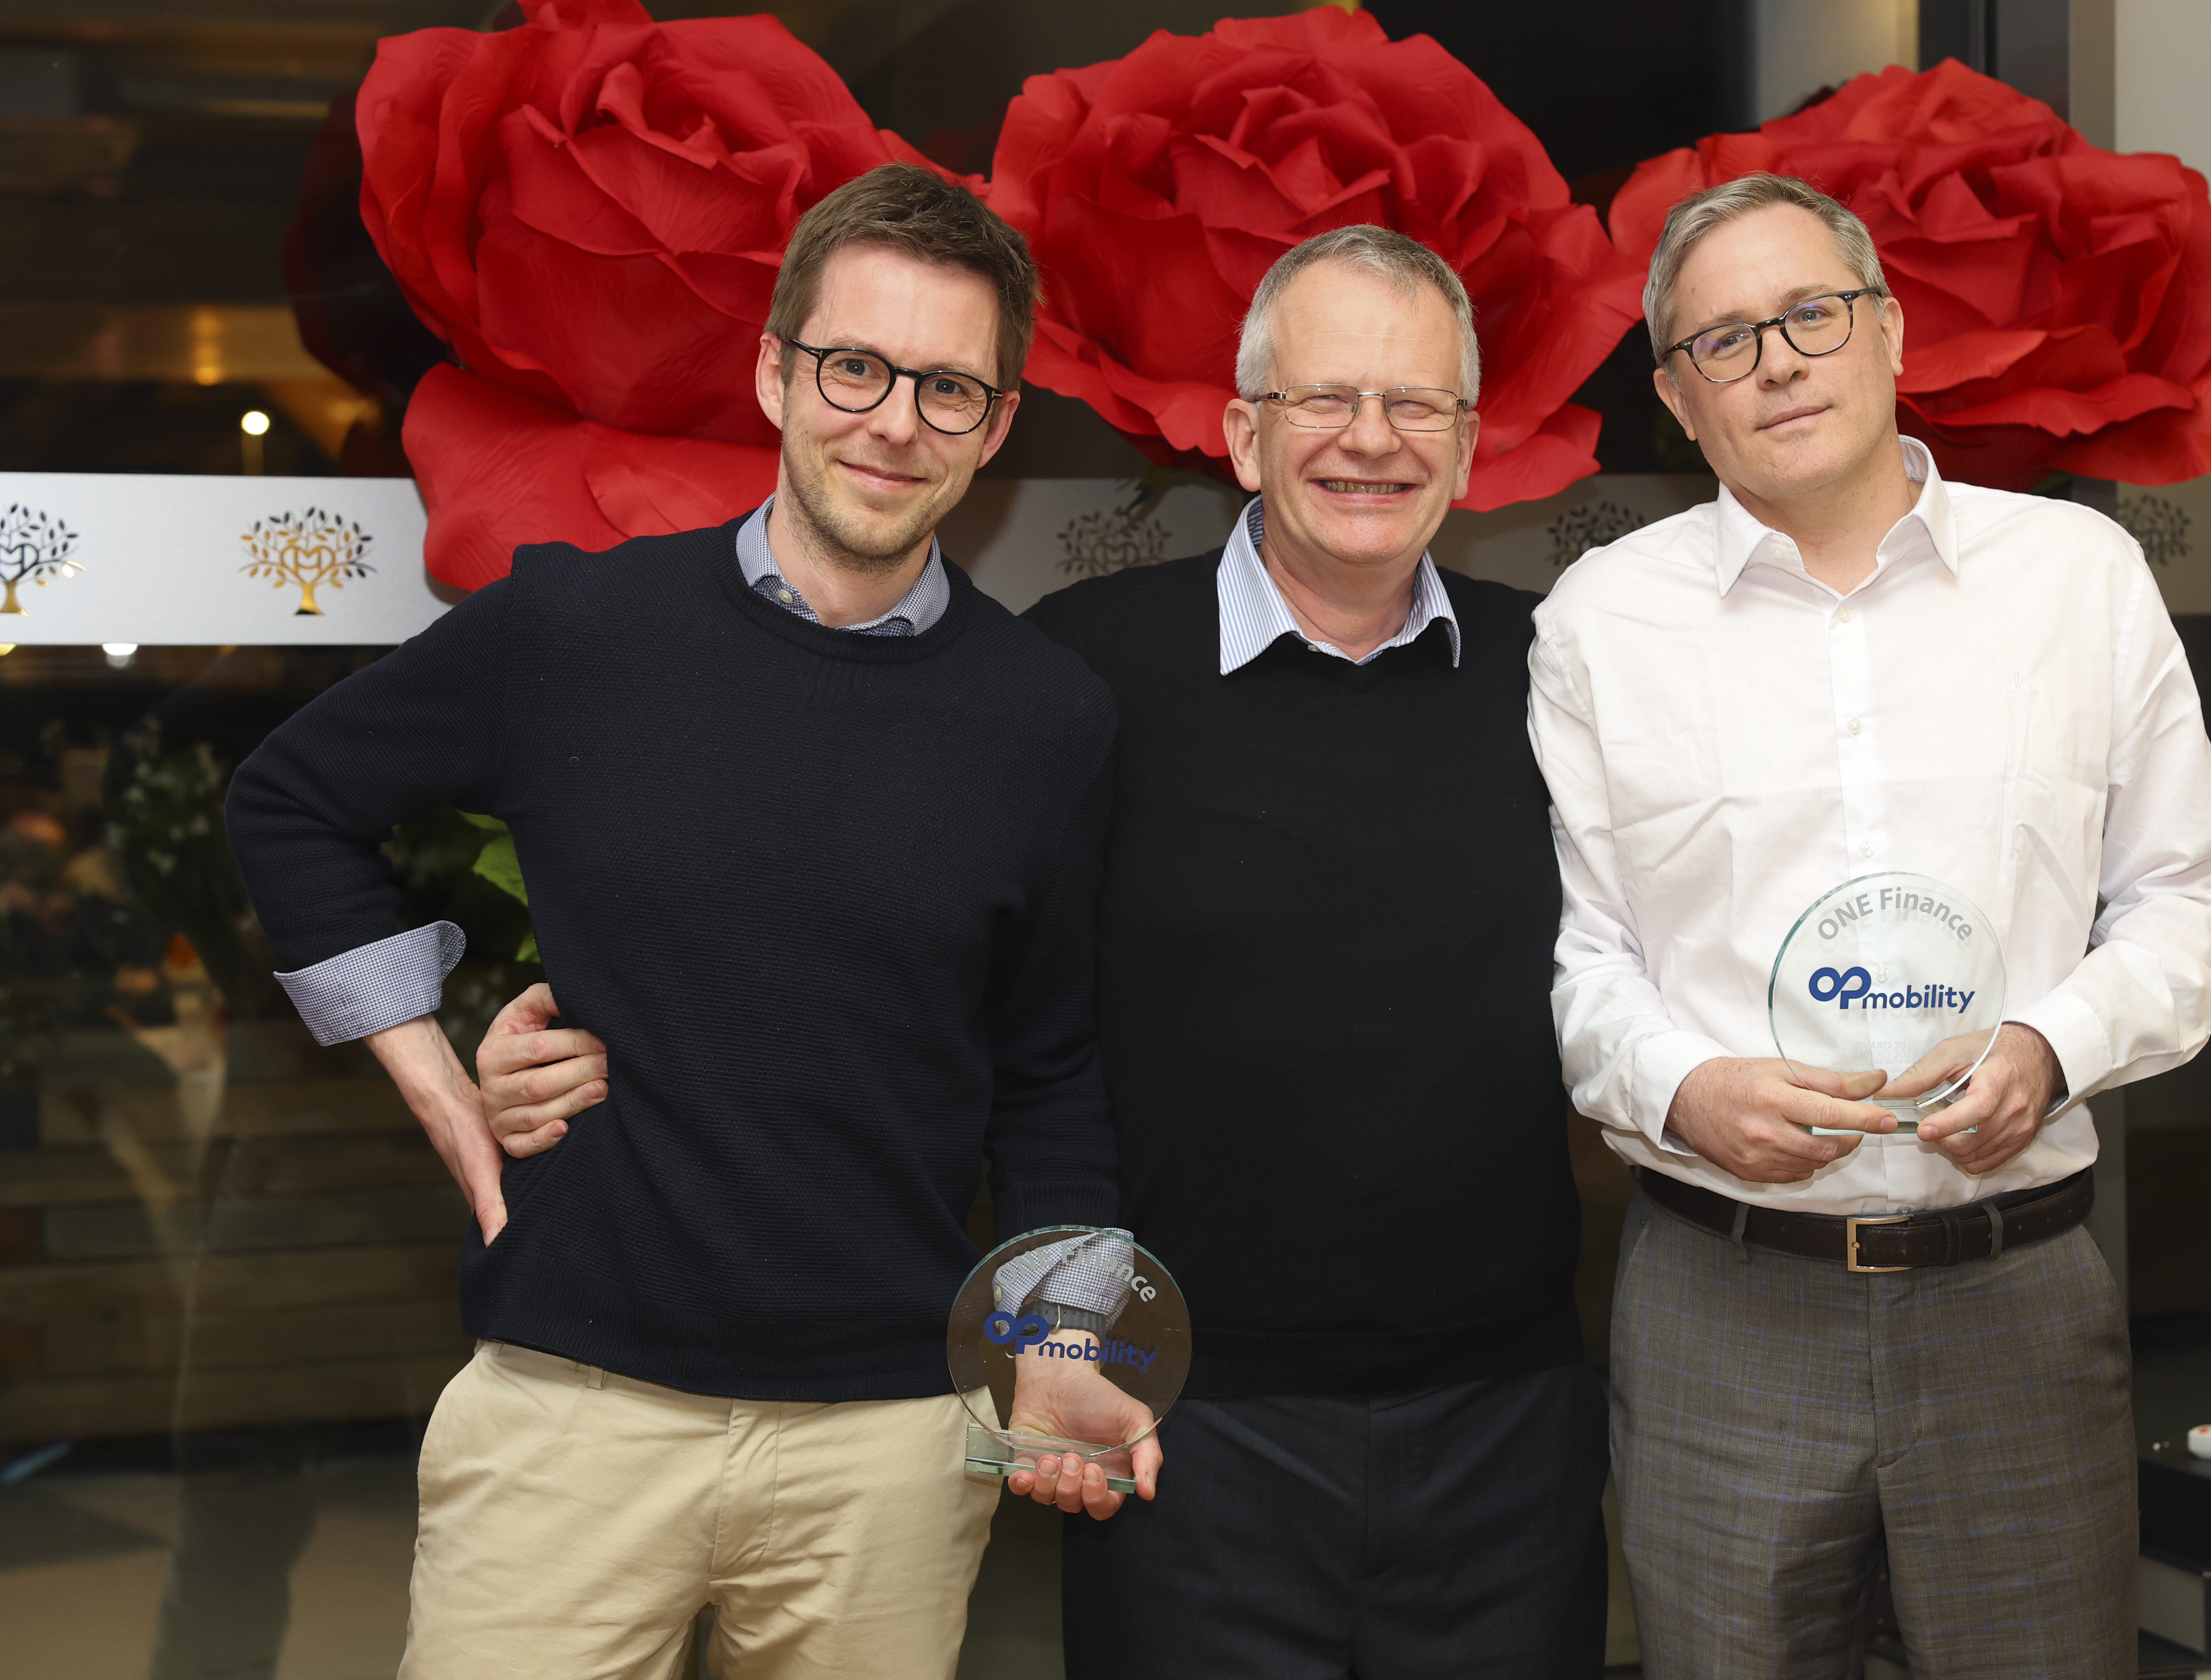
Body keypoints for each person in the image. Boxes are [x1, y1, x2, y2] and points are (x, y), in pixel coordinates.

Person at [487, 225, 1609, 1678]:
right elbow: (898, 960)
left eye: (1417, 405)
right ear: (1241, 432)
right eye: (1326, 397)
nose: (1371, 439)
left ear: (1469, 444)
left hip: (1509, 1419)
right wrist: (581, 1037)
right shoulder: (1073, 671)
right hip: (1172, 1420)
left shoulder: (1561, 673)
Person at [223, 163, 1149, 1680]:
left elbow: (1048, 1072)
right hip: (569, 1420)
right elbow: (290, 800)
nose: (894, 421)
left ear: (995, 430)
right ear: (775, 373)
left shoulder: (1051, 720)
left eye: (948, 389)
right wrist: (443, 1088)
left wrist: (1063, 1341)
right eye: (854, 367)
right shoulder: (572, 631)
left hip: (889, 1450)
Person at [1527, 171, 2211, 1678]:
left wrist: (2053, 1048)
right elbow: (1583, 959)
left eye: (1812, 313)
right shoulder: (1601, 620)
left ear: (1893, 331)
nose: (1778, 363)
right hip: (1725, 1304)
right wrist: (1684, 1088)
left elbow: (2197, 898)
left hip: (2017, 1300)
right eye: (1723, 341)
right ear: (1676, 396)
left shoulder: (2077, 579)